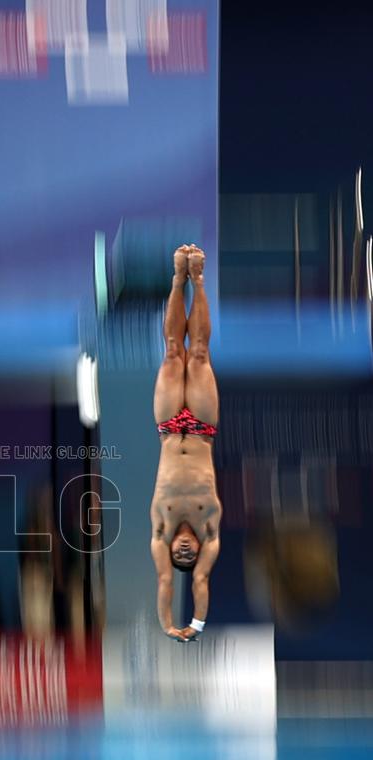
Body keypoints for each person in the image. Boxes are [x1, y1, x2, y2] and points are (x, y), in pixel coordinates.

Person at [150, 245, 221, 641]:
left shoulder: (160, 529)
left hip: (167, 428)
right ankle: (199, 279)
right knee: (199, 355)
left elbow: (164, 582)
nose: (183, 552)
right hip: (201, 429)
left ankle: (178, 278)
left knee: (172, 354)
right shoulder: (209, 531)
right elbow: (199, 584)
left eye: (180, 555)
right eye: (187, 556)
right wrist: (195, 624)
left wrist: (166, 625)